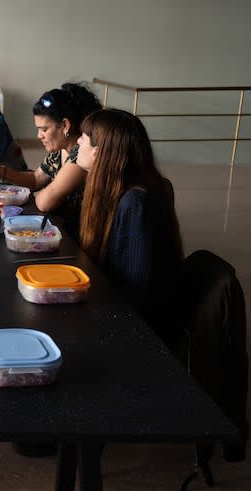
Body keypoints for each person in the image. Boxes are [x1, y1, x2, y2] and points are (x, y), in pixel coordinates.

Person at [76, 108, 183, 336]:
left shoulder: (135, 203)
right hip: (121, 315)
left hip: (137, 331)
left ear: (98, 152)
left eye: (83, 138)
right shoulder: (124, 188)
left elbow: (138, 295)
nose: (77, 141)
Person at [0, 82, 102, 239]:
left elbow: (45, 202)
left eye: (44, 129)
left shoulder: (80, 157)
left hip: (77, 239)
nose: (39, 136)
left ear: (65, 125)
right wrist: (2, 172)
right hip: (61, 230)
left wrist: (41, 193)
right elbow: (36, 178)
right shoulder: (60, 151)